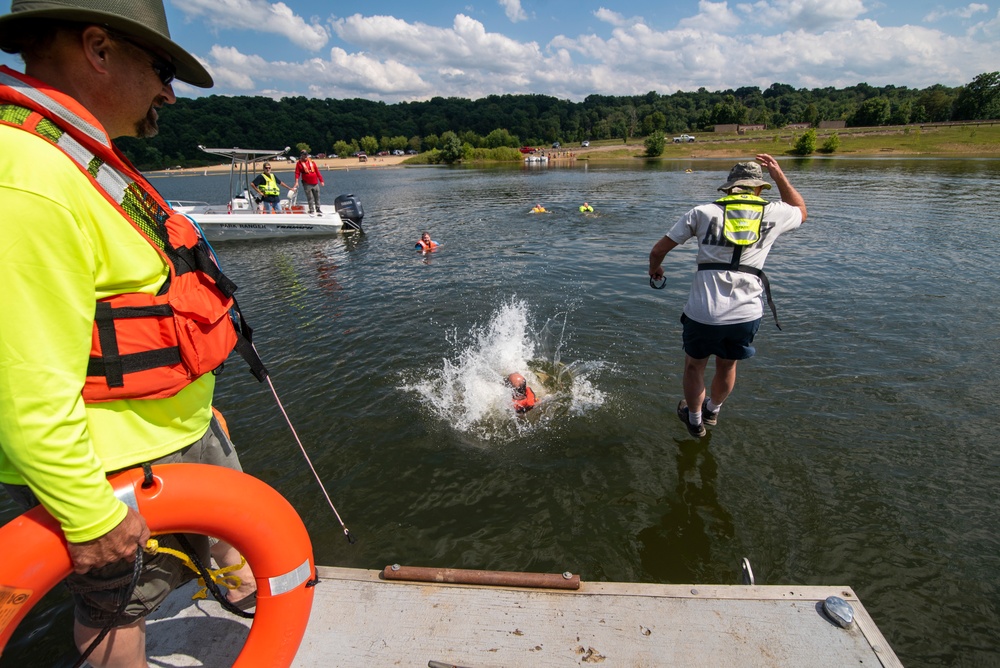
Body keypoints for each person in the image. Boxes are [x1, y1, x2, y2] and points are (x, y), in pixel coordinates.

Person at [0, 1, 260, 664]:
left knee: (247, 555)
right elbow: (22, 385)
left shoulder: (79, 158)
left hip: (176, 440)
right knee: (118, 608)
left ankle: (251, 602)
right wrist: (88, 516)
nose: (169, 94)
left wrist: (201, 419)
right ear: (98, 47)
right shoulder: (28, 176)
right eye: (163, 70)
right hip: (118, 476)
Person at [647, 155, 807, 438]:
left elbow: (658, 251)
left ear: (731, 187)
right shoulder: (775, 213)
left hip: (704, 311)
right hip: (746, 313)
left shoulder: (703, 212)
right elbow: (801, 210)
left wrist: (655, 270)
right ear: (759, 188)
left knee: (695, 365)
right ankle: (713, 410)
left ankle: (695, 421)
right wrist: (779, 175)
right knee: (728, 364)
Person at [295, 149, 325, 216]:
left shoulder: (312, 162)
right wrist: (296, 181)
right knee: (310, 197)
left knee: (317, 196)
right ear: (301, 155)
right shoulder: (299, 164)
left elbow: (317, 171)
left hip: (315, 182)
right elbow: (297, 173)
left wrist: (321, 180)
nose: (305, 156)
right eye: (304, 154)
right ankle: (311, 209)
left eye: (306, 154)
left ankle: (318, 208)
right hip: (307, 183)